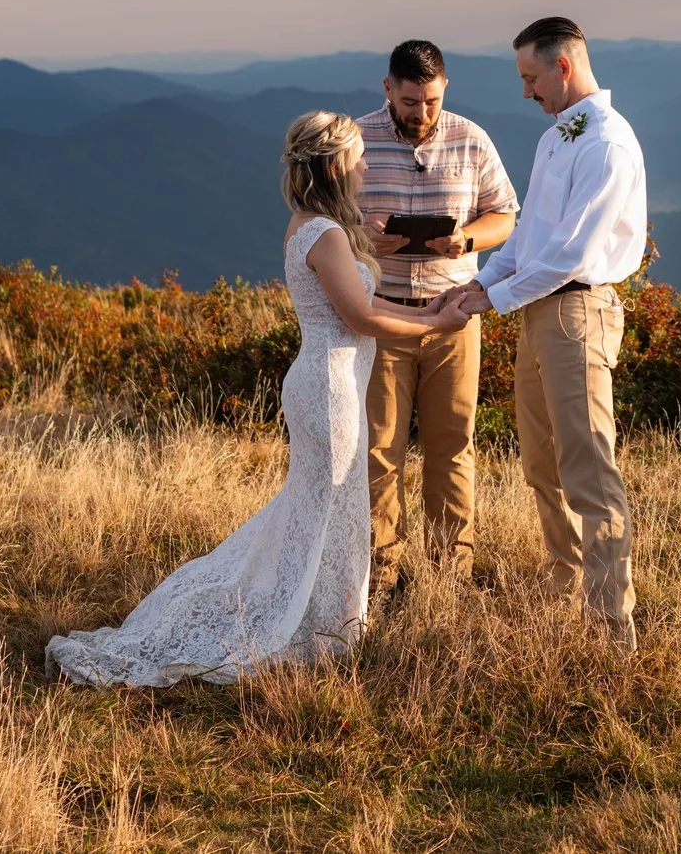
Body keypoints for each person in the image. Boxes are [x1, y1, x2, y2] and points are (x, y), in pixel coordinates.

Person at [48, 112, 467, 687]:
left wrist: (430, 315)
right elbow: (360, 315)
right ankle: (314, 626)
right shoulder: (325, 235)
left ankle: (331, 624)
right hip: (329, 390)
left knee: (330, 506)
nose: (368, 163)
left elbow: (361, 312)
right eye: (360, 155)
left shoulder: (315, 227)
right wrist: (434, 324)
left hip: (330, 381)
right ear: (337, 165)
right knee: (328, 506)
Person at [436, 16, 648, 646]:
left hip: (578, 310)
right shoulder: (557, 138)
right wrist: (478, 283)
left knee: (588, 466)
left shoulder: (607, 144)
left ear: (564, 66)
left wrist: (488, 301)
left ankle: (610, 621)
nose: (526, 92)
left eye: (531, 78)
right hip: (538, 311)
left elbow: (571, 256)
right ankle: (565, 579)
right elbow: (529, 238)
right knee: (541, 463)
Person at [358, 38, 519, 588]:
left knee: (453, 444)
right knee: (380, 447)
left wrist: (468, 240)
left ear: (444, 87)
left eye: (429, 101)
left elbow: (506, 215)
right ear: (387, 89)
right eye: (409, 103)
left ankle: (452, 570)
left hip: (453, 314)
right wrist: (366, 239)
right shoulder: (355, 142)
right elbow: (324, 228)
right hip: (380, 314)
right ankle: (381, 571)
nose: (421, 114)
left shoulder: (472, 140)